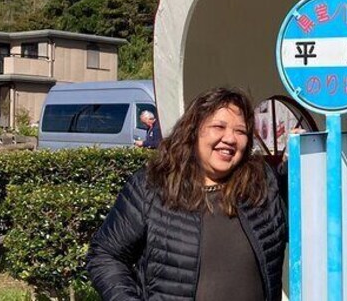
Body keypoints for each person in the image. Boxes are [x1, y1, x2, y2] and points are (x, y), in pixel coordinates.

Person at [86, 87, 288, 301]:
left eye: (241, 131)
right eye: (219, 126)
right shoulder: (153, 185)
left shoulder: (263, 184)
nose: (230, 138)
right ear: (194, 130)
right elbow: (105, 255)